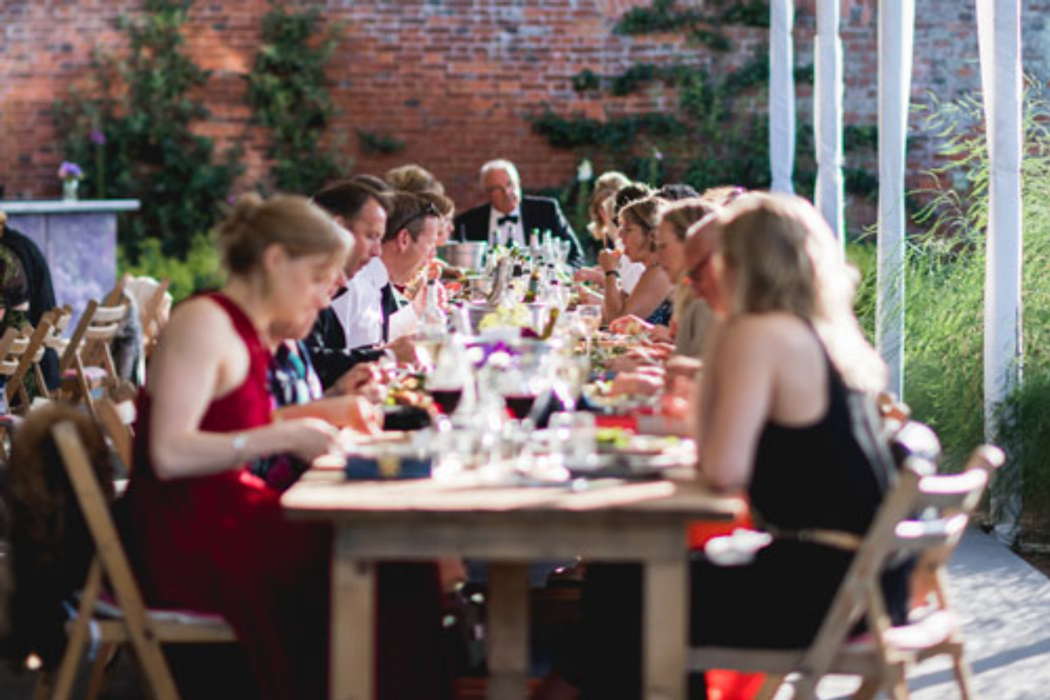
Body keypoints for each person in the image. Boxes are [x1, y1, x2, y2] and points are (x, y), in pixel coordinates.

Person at [550, 193, 908, 699]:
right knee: (628, 580)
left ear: (745, 263)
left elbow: (723, 470)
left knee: (626, 585)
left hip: (822, 592)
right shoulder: (818, 331)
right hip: (869, 584)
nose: (688, 283)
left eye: (701, 267)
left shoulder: (756, 331)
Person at [120, 193, 349, 699]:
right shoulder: (205, 321)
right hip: (185, 533)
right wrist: (287, 434)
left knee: (375, 549)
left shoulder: (247, 330)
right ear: (274, 260)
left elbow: (231, 427)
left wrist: (306, 425)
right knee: (363, 555)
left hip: (223, 514)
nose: (321, 297)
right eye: (316, 278)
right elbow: (169, 453)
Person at [306, 179, 419, 389]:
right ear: (339, 229)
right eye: (371, 236)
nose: (377, 251)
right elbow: (314, 363)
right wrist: (386, 354)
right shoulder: (301, 292)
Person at [454, 158, 584, 267]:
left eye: (510, 184)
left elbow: (576, 256)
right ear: (487, 193)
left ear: (519, 183)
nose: (507, 192)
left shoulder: (546, 210)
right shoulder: (467, 222)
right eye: (498, 189)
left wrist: (561, 276)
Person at [597, 195, 673, 326]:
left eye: (628, 229)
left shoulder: (659, 272)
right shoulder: (651, 269)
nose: (619, 235)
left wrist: (610, 272)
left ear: (652, 235)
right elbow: (610, 313)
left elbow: (616, 322)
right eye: (620, 228)